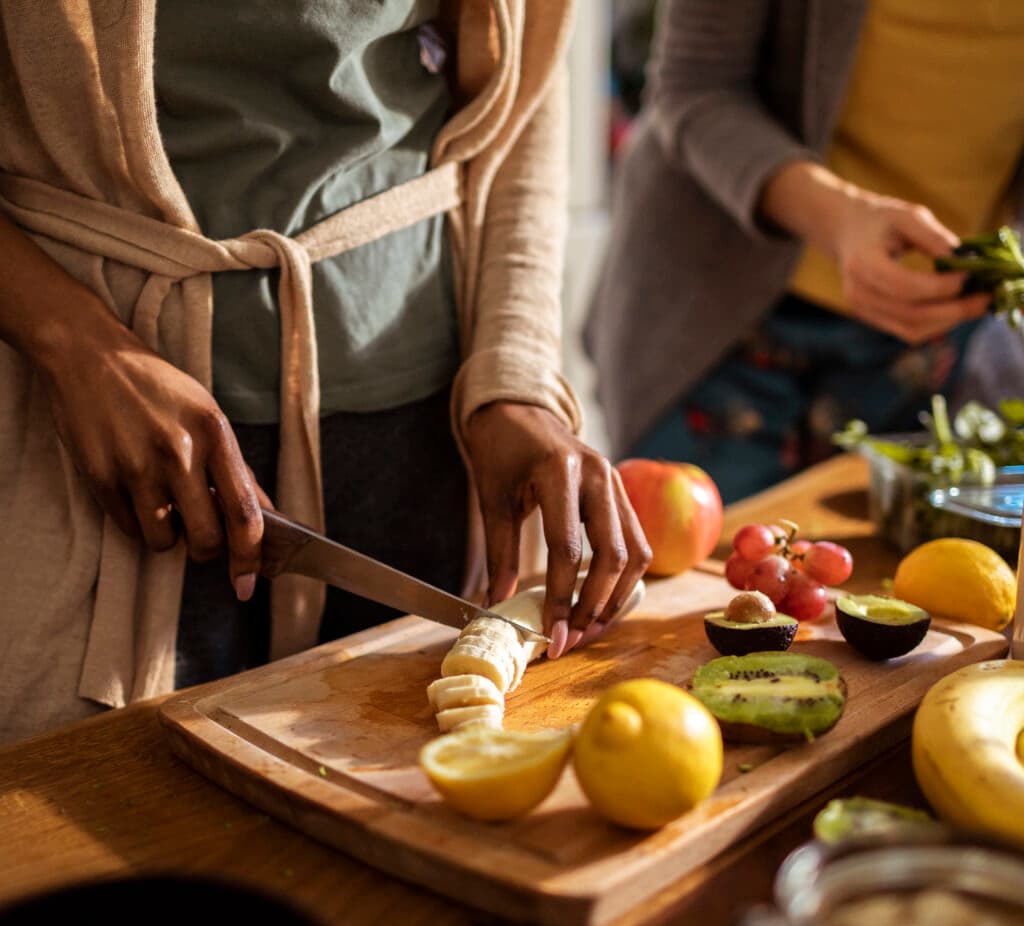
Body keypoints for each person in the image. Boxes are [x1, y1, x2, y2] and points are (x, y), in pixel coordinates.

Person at [0, 1, 651, 745]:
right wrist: (71, 341)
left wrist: (517, 374)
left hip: (431, 439)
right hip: (97, 450)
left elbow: (524, 100)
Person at [586, 0, 1023, 505]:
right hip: (722, 324)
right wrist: (839, 219)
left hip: (930, 345)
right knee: (696, 579)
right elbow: (693, 87)